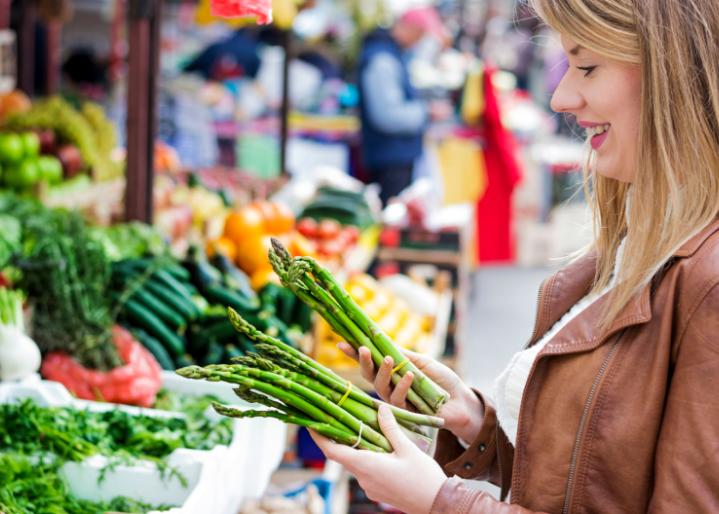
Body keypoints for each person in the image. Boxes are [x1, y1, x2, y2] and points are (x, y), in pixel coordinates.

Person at [312, 0, 719, 512]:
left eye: (587, 66)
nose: (561, 97)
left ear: (675, 75)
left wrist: (441, 501)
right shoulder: (642, 236)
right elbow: (602, 474)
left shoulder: (707, 281)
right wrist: (474, 421)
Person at [358, 7, 451, 205]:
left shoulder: (391, 55)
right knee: (390, 222)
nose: (419, 40)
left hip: (393, 157)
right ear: (409, 28)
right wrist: (426, 112)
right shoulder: (382, 59)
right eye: (420, 34)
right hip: (389, 161)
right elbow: (387, 116)